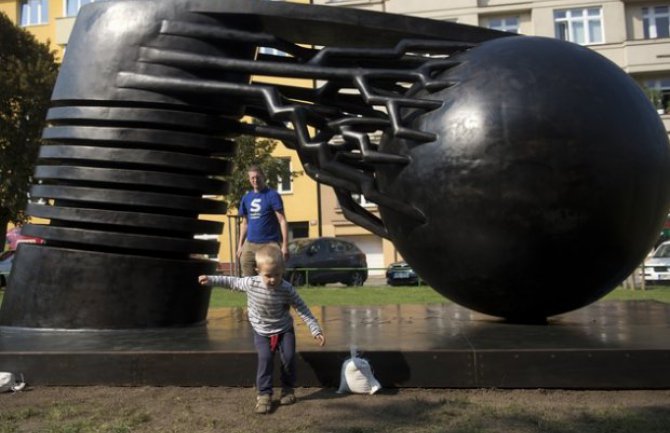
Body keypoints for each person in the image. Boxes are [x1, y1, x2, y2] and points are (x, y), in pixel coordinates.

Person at [198, 245, 326, 414]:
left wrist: (315, 329)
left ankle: (288, 389)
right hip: (261, 330)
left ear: (283, 270)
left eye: (277, 275)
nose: (273, 280)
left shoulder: (286, 288)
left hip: (284, 329)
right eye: (268, 275)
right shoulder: (251, 283)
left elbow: (302, 308)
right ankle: (264, 394)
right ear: (257, 270)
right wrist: (211, 279)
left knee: (288, 357)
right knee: (265, 359)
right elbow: (232, 282)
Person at [237, 165, 289, 276]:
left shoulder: (272, 195)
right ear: (249, 179)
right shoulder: (246, 198)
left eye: (257, 177)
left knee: (271, 276)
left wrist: (285, 245)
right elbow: (245, 223)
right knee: (247, 275)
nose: (255, 180)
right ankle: (251, 293)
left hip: (269, 244)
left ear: (263, 176)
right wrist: (240, 246)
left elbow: (282, 221)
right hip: (250, 244)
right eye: (252, 178)